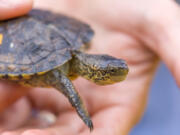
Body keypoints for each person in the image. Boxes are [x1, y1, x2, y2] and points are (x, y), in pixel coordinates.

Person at [0, 0, 180, 135]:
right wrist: (82, 110)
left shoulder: (80, 43)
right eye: (109, 72)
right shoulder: (59, 69)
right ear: (95, 70)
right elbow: (64, 82)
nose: (120, 71)